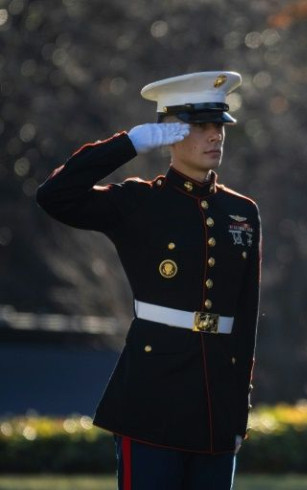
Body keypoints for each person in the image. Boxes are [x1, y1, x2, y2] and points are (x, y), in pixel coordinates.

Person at [36, 71, 261, 490]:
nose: (215, 137)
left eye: (219, 127)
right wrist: (129, 144)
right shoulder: (139, 202)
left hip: (214, 404)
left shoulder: (242, 211)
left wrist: (237, 408)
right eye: (200, 127)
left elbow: (245, 317)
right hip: (152, 393)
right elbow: (54, 196)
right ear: (170, 134)